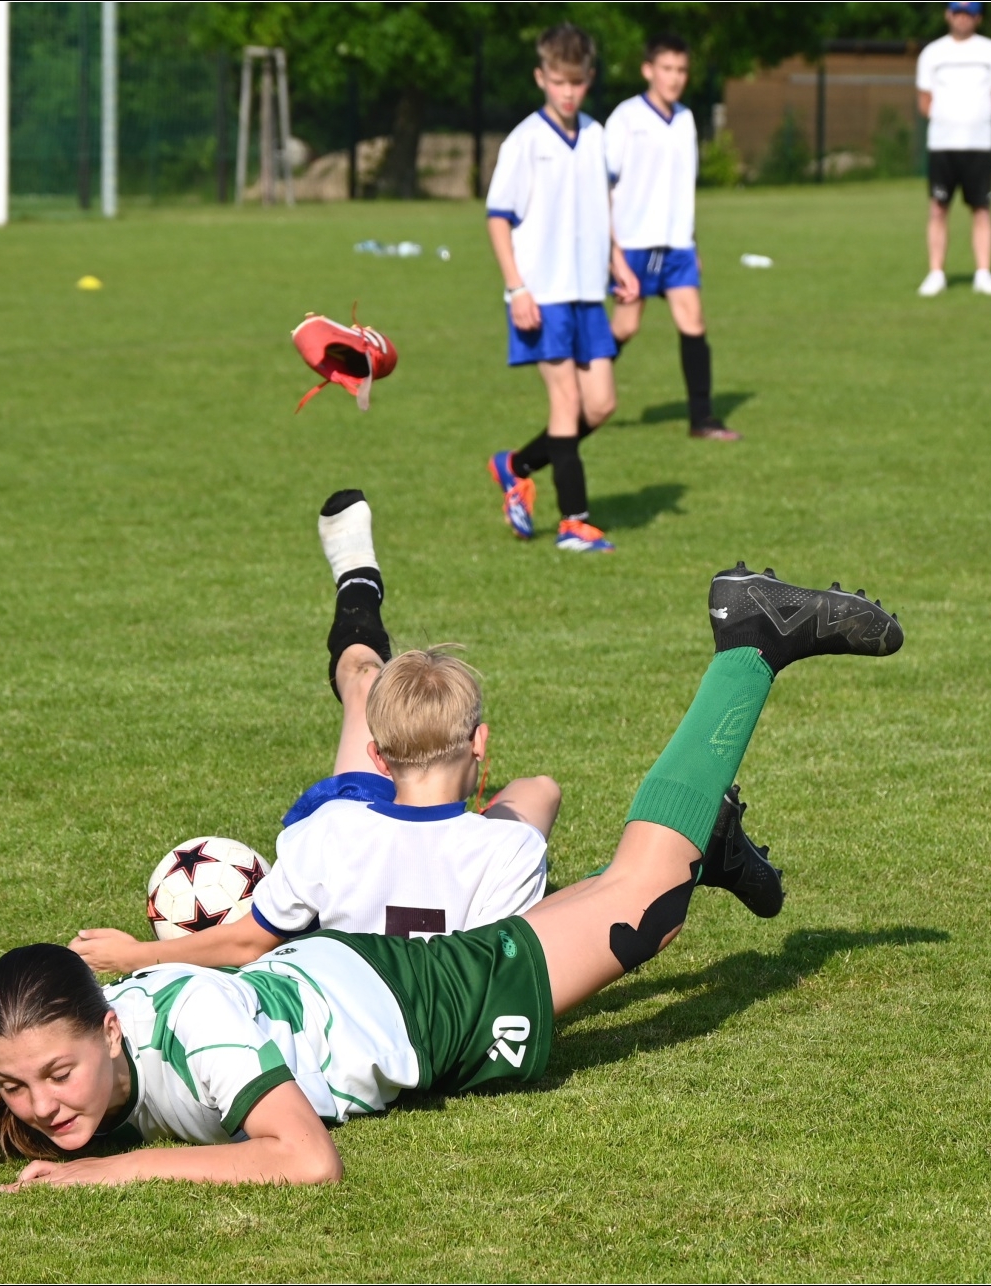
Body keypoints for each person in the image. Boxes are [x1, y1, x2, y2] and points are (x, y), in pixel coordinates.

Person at [0, 565, 905, 1185]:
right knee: (628, 901)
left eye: (56, 1075)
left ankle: (751, 644)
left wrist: (98, 1173)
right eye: (16, 1086)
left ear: (111, 1028)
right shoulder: (94, 1035)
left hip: (413, 1006)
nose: (41, 1105)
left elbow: (304, 1159)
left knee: (643, 908)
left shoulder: (198, 1034)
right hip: (356, 975)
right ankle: (711, 839)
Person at [71, 489, 598, 975]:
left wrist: (135, 955)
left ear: (377, 758)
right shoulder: (513, 849)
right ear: (480, 742)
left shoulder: (329, 832)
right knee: (540, 788)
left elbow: (247, 942)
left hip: (361, 863)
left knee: (365, 679)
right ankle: (357, 578)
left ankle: (357, 581)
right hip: (454, 934)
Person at [484, 23, 641, 554]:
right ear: (540, 78)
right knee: (567, 400)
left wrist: (618, 262)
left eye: (576, 82)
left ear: (589, 79)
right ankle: (575, 523)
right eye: (558, 82)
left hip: (587, 295)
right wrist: (517, 289)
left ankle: (515, 465)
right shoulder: (524, 141)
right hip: (542, 296)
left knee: (601, 404)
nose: (567, 92)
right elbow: (498, 218)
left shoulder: (595, 135)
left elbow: (600, 209)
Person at [604, 34, 738, 442]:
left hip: (677, 246)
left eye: (682, 70)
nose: (675, 78)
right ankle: (578, 387)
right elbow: (602, 186)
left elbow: (683, 188)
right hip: (634, 245)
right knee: (626, 326)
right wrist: (613, 250)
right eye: (667, 69)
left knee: (693, 321)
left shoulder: (685, 119)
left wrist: (692, 242)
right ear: (648, 70)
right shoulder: (626, 118)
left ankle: (702, 419)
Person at [915, 1, 991, 298]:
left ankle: (983, 274)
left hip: (979, 144)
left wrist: (975, 117)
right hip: (942, 144)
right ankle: (936, 273)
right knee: (938, 208)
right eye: (957, 12)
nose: (962, 18)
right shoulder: (932, 53)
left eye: (969, 13)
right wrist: (949, 118)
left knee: (981, 208)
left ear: (978, 18)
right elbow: (924, 101)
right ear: (948, 14)